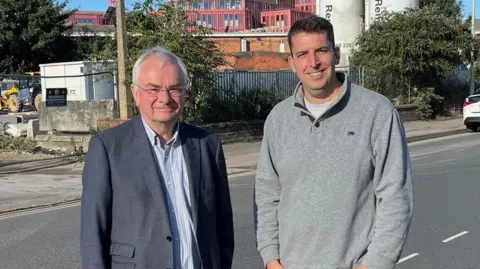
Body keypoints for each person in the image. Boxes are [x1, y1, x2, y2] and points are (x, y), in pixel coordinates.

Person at [253, 15, 413, 269]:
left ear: (336, 54)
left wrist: (375, 263)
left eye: (321, 51)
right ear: (291, 62)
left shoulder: (376, 112)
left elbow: (395, 196)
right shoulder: (278, 119)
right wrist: (271, 259)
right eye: (303, 54)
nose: (313, 62)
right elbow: (267, 196)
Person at [80, 46, 234, 269]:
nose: (165, 98)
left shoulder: (207, 144)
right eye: (153, 89)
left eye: (174, 89)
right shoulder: (107, 148)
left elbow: (223, 227)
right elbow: (93, 235)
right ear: (135, 93)